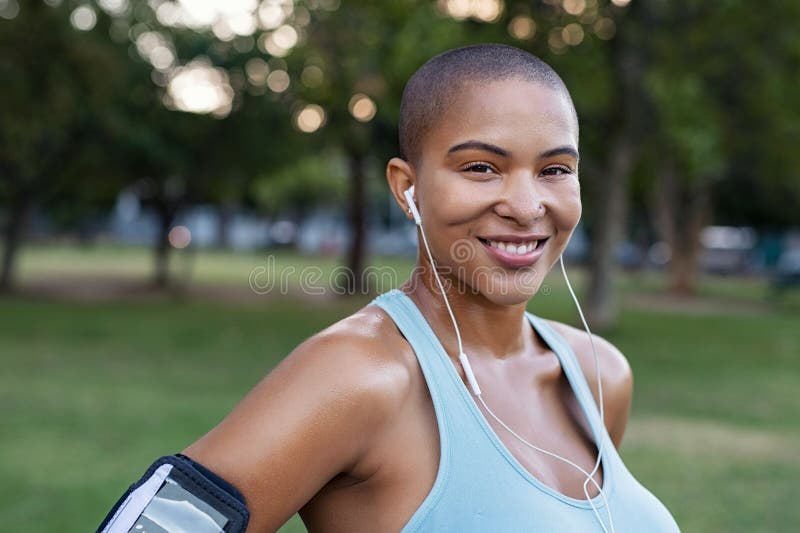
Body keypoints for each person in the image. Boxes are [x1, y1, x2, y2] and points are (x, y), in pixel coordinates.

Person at [98, 44, 681, 533]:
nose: (527, 206)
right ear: (408, 188)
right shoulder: (358, 376)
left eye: (555, 169)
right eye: (481, 167)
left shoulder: (600, 375)